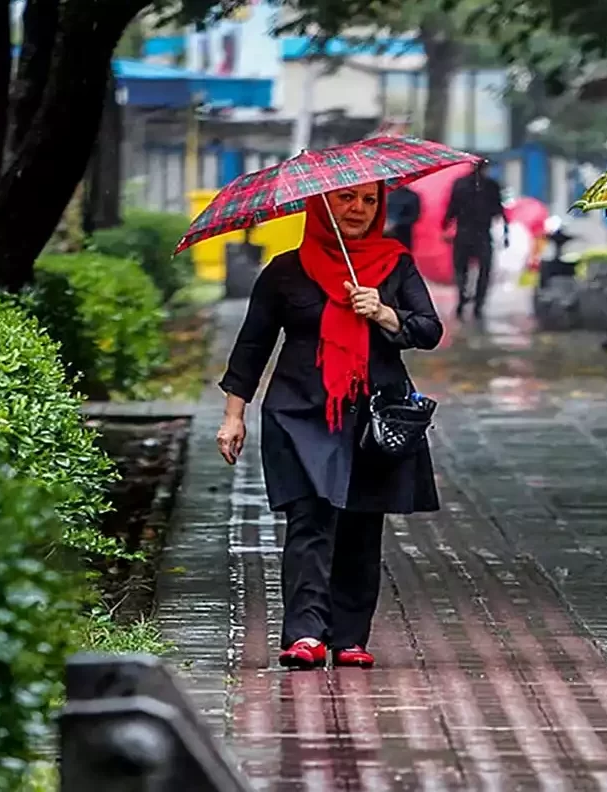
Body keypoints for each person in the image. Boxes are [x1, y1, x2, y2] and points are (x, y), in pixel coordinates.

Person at [215, 181, 442, 671]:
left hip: (373, 418)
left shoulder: (394, 263)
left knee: (362, 523)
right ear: (321, 204)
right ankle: (305, 635)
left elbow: (429, 329)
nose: (358, 209)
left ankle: (349, 637)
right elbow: (253, 346)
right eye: (346, 198)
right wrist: (234, 415)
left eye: (369, 200)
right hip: (299, 414)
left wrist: (383, 312)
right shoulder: (285, 272)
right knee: (310, 520)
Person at [443, 160, 509, 319]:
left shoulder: (460, 184)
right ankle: (477, 304)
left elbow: (451, 209)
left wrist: (444, 226)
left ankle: (463, 298)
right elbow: (499, 211)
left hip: (465, 232)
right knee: (483, 270)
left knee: (461, 269)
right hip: (482, 233)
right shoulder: (491, 185)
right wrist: (506, 233)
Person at [385, 185, 421, 251]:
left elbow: (414, 217)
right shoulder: (389, 195)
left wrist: (394, 223)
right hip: (389, 236)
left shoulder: (412, 196)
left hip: (403, 235)